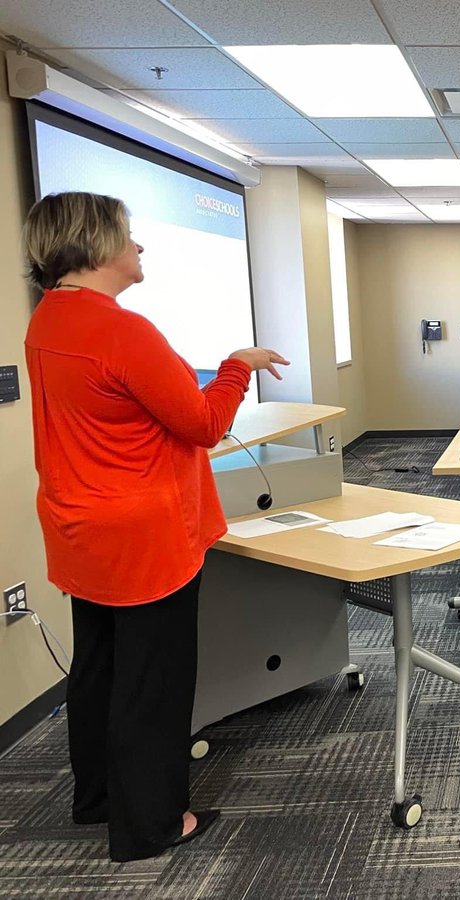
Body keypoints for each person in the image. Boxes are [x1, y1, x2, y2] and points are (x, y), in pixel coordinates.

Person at [21, 192, 288, 862]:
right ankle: (152, 824)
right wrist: (236, 367)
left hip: (82, 529)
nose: (140, 248)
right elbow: (201, 423)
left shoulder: (49, 320)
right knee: (153, 684)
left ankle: (99, 800)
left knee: (101, 670)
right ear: (96, 243)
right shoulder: (122, 329)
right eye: (130, 236)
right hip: (144, 535)